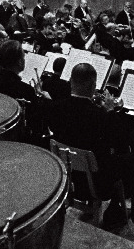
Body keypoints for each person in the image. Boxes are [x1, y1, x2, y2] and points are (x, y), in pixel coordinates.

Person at [47, 63, 129, 228]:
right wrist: (111, 111)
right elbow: (119, 142)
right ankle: (116, 207)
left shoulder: (55, 108)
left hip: (66, 178)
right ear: (93, 86)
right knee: (126, 158)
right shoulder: (101, 117)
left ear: (70, 81)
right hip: (97, 185)